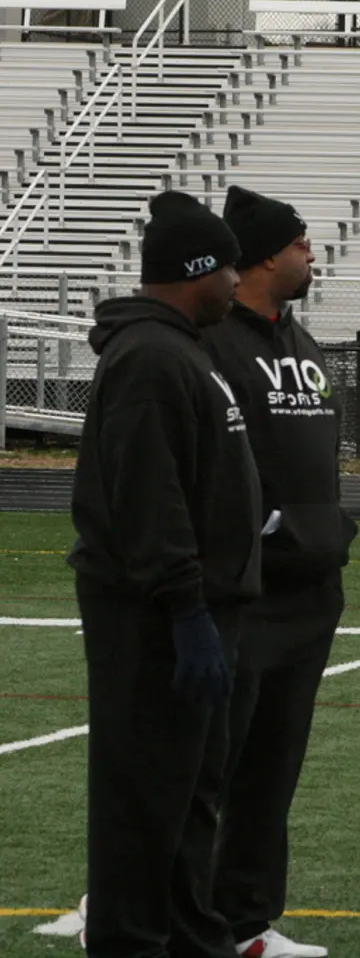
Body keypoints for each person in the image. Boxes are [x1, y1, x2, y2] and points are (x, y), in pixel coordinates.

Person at [68, 190, 261, 958]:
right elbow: (152, 498)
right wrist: (185, 609)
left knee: (188, 796)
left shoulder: (184, 349)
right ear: (197, 271)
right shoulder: (152, 356)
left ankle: (190, 937)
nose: (237, 284)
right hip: (153, 621)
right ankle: (130, 941)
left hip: (197, 611)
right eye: (228, 269)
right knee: (144, 799)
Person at [202, 186, 357, 958]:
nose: (312, 254)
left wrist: (331, 529)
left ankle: (248, 923)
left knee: (271, 772)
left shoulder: (304, 344)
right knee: (207, 767)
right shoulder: (212, 344)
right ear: (264, 254)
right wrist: (267, 534)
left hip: (308, 595)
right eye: (301, 243)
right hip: (242, 592)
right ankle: (149, 903)